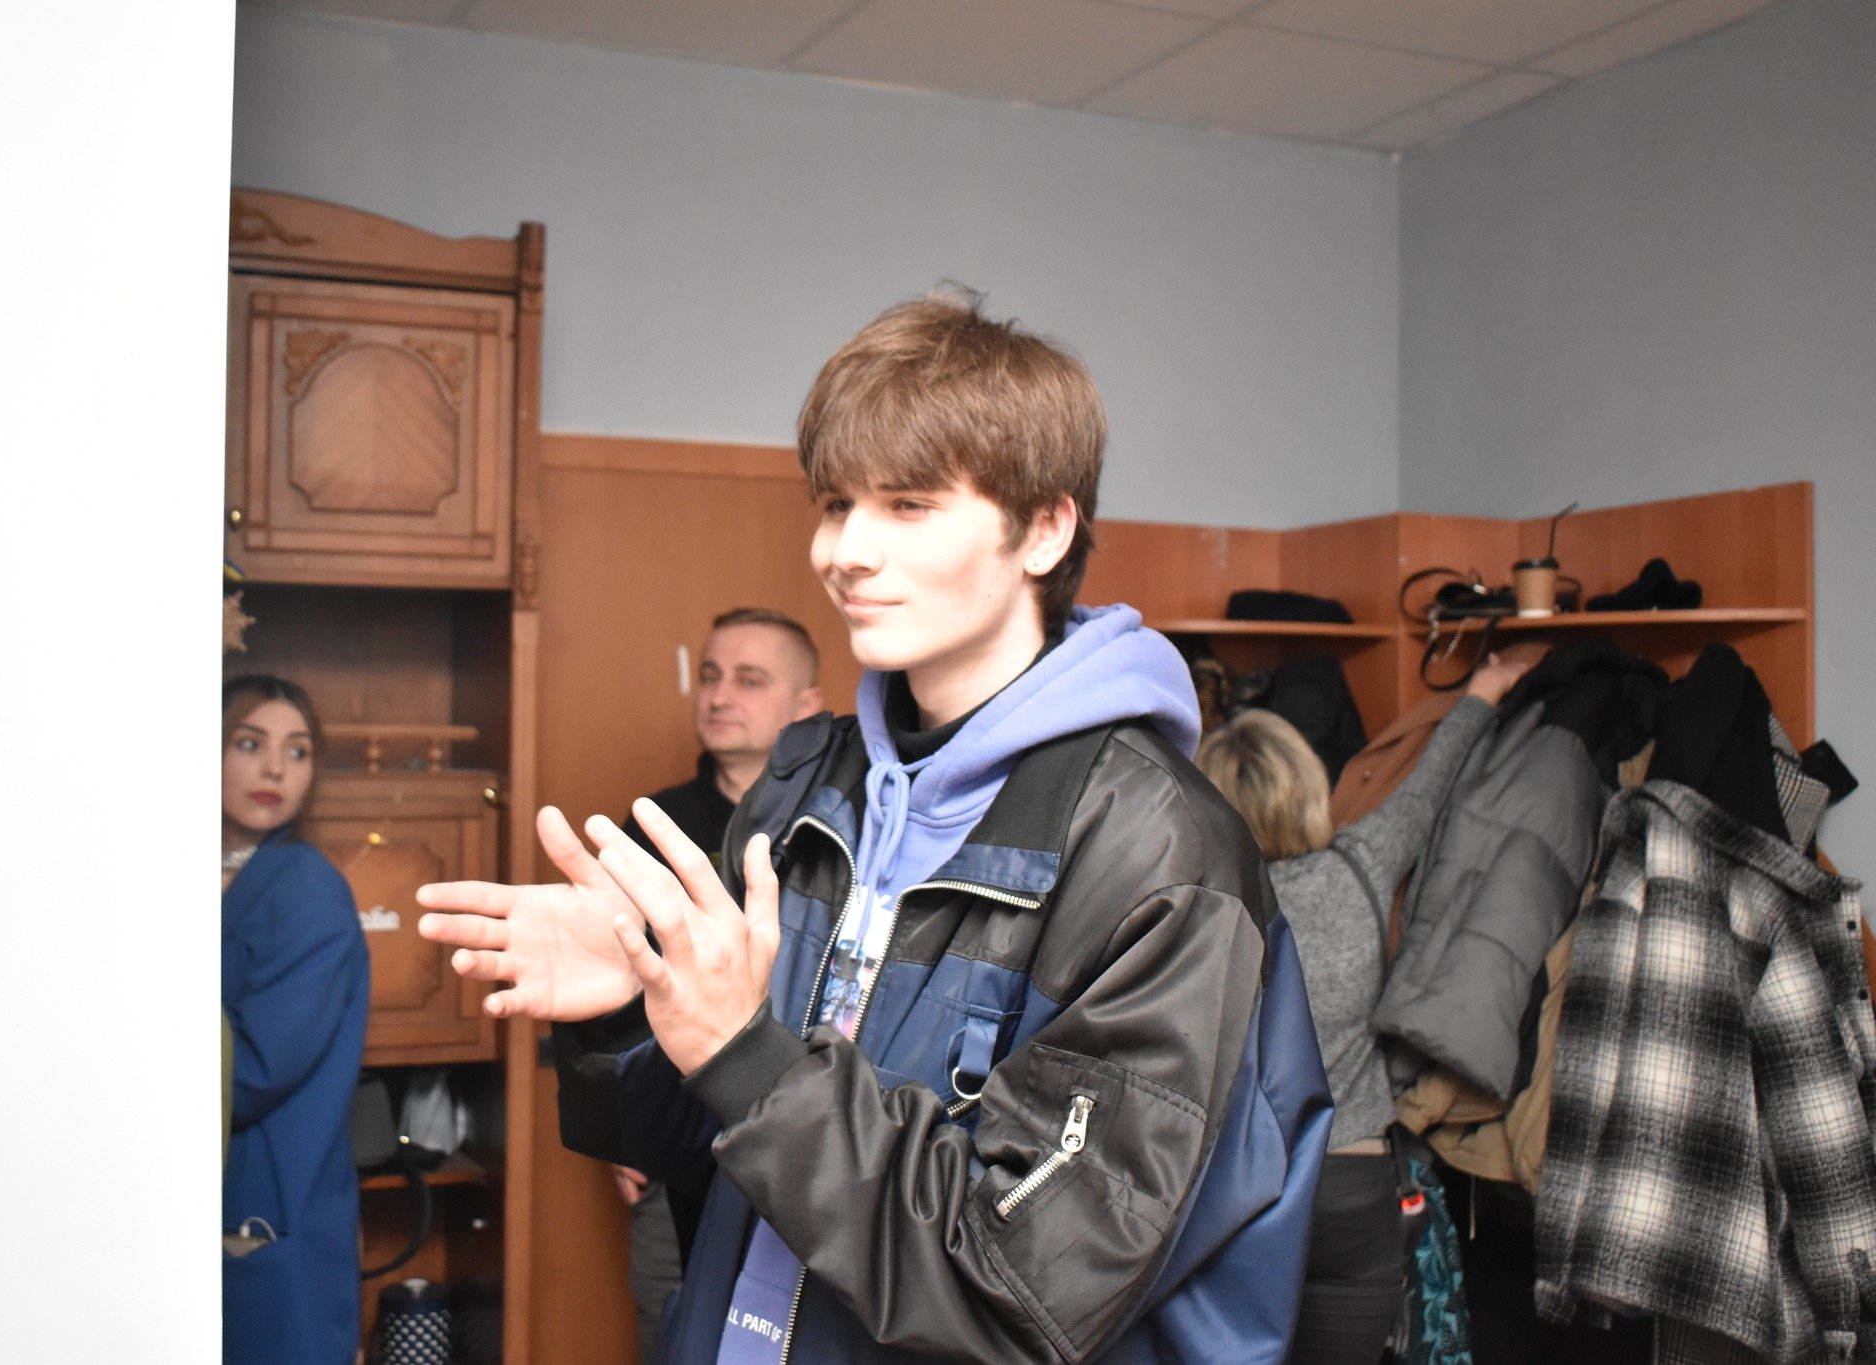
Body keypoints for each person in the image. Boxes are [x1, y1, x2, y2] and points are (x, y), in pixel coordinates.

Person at [418, 290, 1331, 1364]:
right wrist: (639, 999)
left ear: (1044, 529)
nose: (844, 550)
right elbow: (711, 1144)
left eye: (907, 505)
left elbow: (1024, 1287)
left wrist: (744, 1056)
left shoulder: (1158, 852)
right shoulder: (807, 783)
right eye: (834, 504)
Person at [1194, 653, 1532, 1365]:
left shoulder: (1195, 909)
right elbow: (1431, 782)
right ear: (1308, 787)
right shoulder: (1361, 866)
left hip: (1237, 1190)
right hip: (1352, 1185)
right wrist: (1484, 688)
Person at [611, 608, 825, 1364]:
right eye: (709, 676)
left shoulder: (834, 826)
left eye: (749, 679)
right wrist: (625, 1127)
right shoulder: (654, 824)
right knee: (676, 1332)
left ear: (807, 705)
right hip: (677, 1150)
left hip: (806, 1143)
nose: (720, 695)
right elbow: (616, 994)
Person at [220, 674, 371, 1365]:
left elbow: (250, 1074)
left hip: (269, 1211)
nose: (275, 769)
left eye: (298, 750)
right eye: (249, 743)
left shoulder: (306, 890)